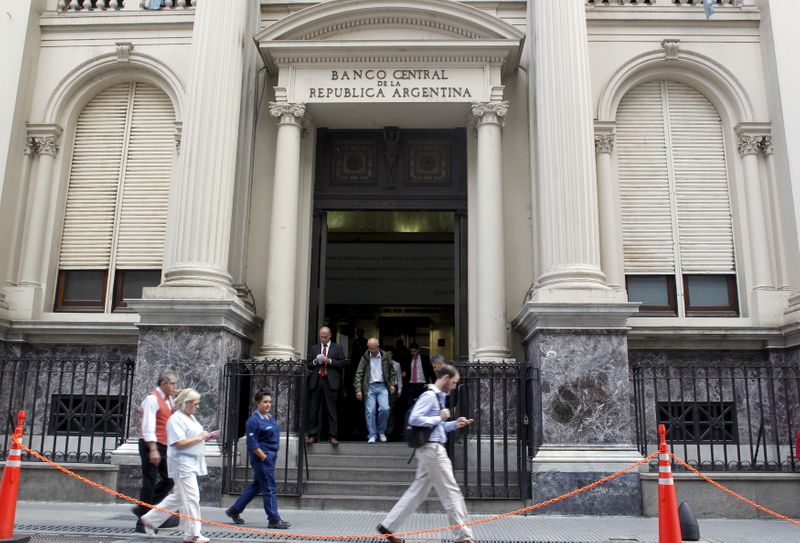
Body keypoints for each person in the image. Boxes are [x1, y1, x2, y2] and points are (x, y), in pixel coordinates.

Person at [377, 365, 475, 543]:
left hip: (429, 448)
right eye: (453, 383)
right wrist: (440, 417)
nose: (454, 387)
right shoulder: (430, 396)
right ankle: (463, 536)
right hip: (433, 450)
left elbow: (435, 427)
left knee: (417, 492)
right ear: (445, 378)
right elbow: (415, 418)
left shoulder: (437, 398)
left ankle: (388, 526)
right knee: (451, 491)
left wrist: (454, 424)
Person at [140, 388, 218, 543]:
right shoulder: (176, 419)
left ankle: (150, 519)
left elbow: (193, 437)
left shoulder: (190, 417)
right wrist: (200, 437)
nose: (197, 406)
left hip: (190, 463)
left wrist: (205, 437)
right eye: (195, 403)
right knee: (192, 497)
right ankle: (193, 533)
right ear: (186, 403)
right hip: (182, 464)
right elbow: (179, 442)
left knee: (179, 498)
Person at [225, 390, 290, 529]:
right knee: (269, 488)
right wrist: (264, 457)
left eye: (270, 402)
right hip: (262, 458)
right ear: (257, 403)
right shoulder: (253, 421)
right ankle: (274, 519)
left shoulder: (269, 417)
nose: (268, 405)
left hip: (270, 456)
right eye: (265, 402)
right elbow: (252, 443)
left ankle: (234, 510)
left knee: (257, 486)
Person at [133, 371, 180, 533]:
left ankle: (144, 509)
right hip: (150, 444)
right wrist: (152, 449)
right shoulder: (152, 399)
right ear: (163, 384)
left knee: (169, 479)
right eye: (173, 384)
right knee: (150, 481)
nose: (175, 387)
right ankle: (142, 522)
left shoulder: (169, 400)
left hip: (164, 444)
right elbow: (148, 426)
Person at [307, 326, 346, 446]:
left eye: (325, 337)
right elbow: (308, 364)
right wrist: (315, 361)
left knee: (331, 410)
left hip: (331, 381)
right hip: (317, 380)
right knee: (313, 409)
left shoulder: (337, 347)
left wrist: (329, 361)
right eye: (321, 337)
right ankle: (312, 435)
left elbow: (342, 363)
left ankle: (332, 436)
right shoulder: (314, 348)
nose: (322, 339)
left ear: (330, 336)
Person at [354, 338, 396, 443]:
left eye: (373, 348)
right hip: (369, 387)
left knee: (385, 409)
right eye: (370, 348)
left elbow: (392, 371)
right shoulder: (365, 357)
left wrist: (392, 384)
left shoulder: (385, 356)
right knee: (370, 411)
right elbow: (359, 374)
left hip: (382, 386)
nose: (372, 351)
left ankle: (381, 431)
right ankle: (372, 434)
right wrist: (358, 390)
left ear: (378, 347)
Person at [386, 349, 403, 439]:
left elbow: (399, 377)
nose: (389, 355)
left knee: (391, 410)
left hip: (393, 387)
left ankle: (390, 432)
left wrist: (400, 389)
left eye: (390, 353)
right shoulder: (382, 364)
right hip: (384, 388)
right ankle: (383, 431)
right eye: (387, 353)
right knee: (383, 410)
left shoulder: (396, 364)